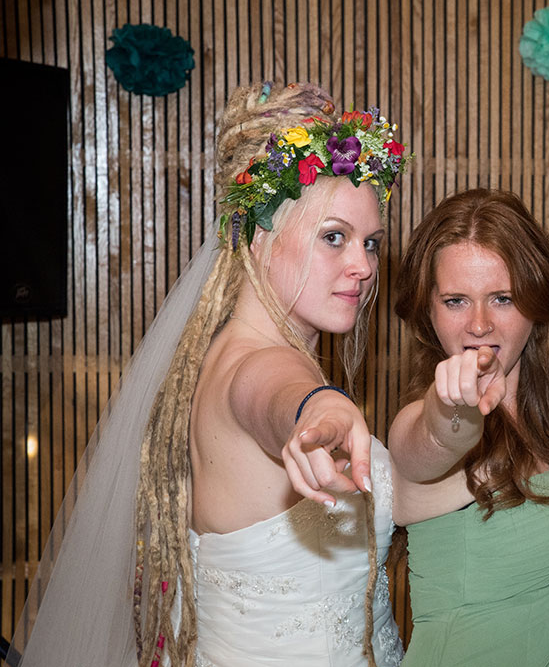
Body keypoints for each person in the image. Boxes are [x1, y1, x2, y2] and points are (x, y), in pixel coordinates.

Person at [9, 82, 410, 667]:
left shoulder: (221, 351)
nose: (363, 266)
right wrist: (317, 411)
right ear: (258, 237)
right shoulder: (256, 366)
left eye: (371, 242)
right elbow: (274, 399)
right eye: (334, 238)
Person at [389, 189, 549, 666]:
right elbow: (423, 443)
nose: (479, 325)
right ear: (428, 312)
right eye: (455, 301)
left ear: (535, 304)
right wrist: (450, 408)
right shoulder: (420, 419)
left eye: (502, 299)